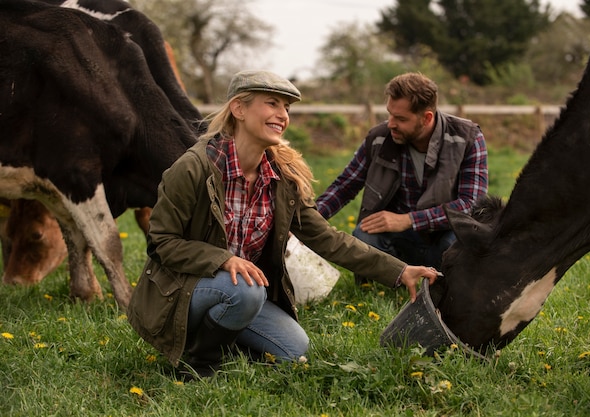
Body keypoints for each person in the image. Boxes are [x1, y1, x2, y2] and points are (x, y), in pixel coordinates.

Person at [126, 70, 440, 380]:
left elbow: (328, 238)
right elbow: (162, 242)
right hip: (182, 292)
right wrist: (222, 259)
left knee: (293, 349)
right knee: (247, 291)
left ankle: (219, 339)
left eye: (286, 108)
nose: (282, 114)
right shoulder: (194, 169)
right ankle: (199, 365)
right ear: (239, 109)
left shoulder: (281, 178)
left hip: (240, 291)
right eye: (272, 103)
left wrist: (400, 271)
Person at [316, 72, 488, 283]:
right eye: (389, 114)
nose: (391, 124)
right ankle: (388, 282)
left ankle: (446, 285)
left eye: (401, 118)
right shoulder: (379, 138)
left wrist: (408, 220)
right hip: (399, 246)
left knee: (460, 239)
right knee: (365, 234)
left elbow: (472, 205)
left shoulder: (467, 138)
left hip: (443, 241)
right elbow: (344, 187)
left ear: (426, 118)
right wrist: (304, 223)